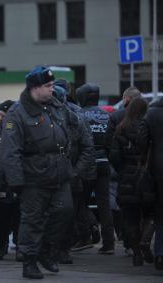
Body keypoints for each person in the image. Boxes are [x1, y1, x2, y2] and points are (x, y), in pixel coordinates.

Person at [0, 66, 74, 279]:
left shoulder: (54, 106)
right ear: (34, 88)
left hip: (59, 172)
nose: (52, 89)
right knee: (32, 220)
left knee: (66, 211)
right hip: (34, 177)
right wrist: (16, 182)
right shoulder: (17, 113)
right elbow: (9, 151)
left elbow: (67, 132)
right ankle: (30, 261)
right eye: (48, 86)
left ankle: (46, 250)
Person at [52, 85, 96, 265]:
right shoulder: (38, 117)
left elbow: (88, 148)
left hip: (70, 177)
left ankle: (63, 249)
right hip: (45, 175)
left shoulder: (75, 118)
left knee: (68, 214)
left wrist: (76, 171)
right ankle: (49, 249)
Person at [109, 97, 153, 266]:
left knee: (130, 218)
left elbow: (114, 156)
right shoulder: (147, 126)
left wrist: (122, 170)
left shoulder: (121, 128)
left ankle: (136, 254)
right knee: (150, 213)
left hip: (126, 177)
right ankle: (145, 241)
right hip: (146, 176)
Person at [75, 83, 116, 255]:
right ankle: (109, 244)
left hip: (87, 163)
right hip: (104, 162)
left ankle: (86, 234)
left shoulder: (78, 114)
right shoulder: (107, 115)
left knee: (79, 202)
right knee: (104, 205)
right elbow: (111, 142)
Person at [0, 99, 21, 261]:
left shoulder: (20, 131)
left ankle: (20, 246)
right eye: (0, 115)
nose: (1, 118)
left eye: (4, 115)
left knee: (18, 217)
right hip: (0, 182)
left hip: (17, 181)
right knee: (0, 218)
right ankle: (0, 246)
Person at [137, 97, 163, 270]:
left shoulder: (151, 114)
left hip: (158, 170)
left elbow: (141, 141)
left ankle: (160, 254)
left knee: (160, 213)